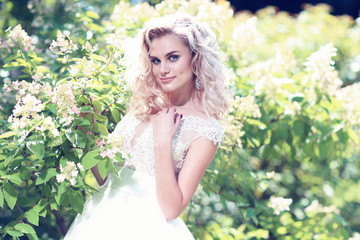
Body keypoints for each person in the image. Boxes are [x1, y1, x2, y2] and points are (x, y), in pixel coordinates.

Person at [63, 13, 230, 239]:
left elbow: (172, 209)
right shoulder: (142, 105)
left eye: (173, 57)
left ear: (195, 57)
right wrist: (86, 131)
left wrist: (162, 142)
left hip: (148, 229)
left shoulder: (205, 130)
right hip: (100, 220)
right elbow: (108, 178)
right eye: (155, 60)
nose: (163, 70)